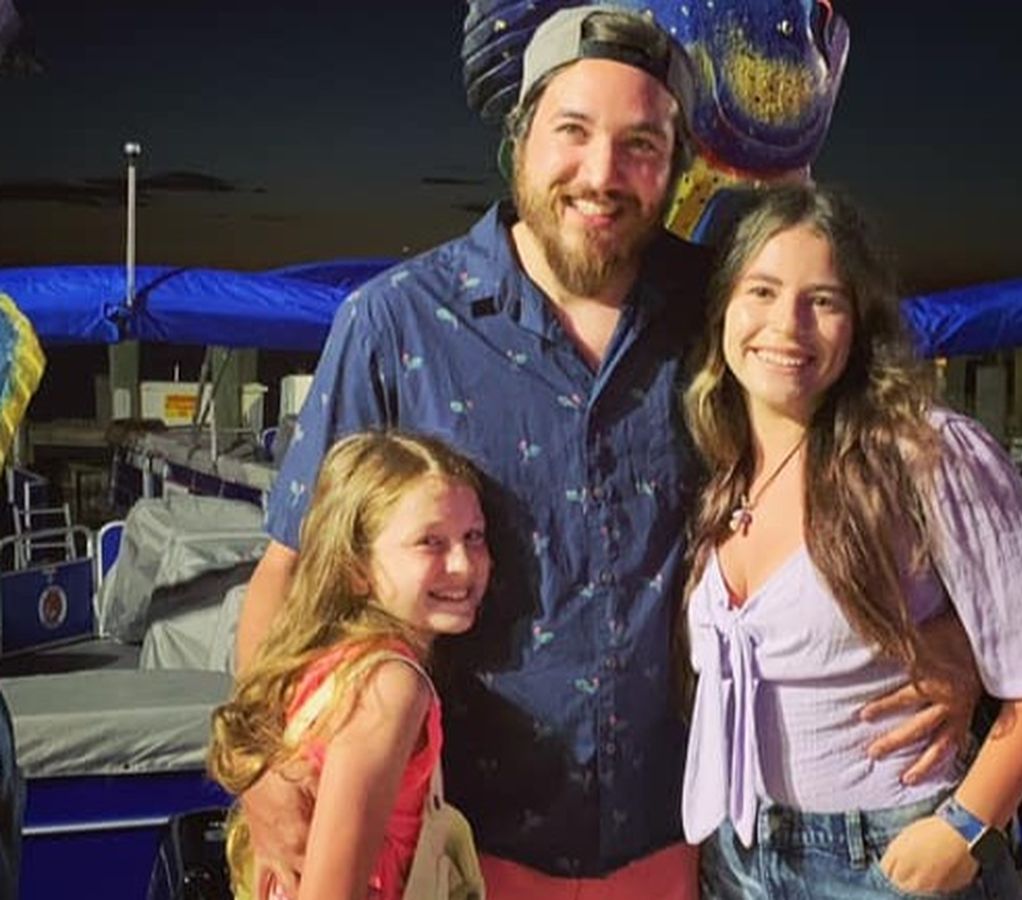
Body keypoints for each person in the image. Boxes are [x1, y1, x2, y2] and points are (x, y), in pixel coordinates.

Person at [234, 8, 979, 898]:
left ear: (675, 165)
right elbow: (291, 569)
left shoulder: (727, 320)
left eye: (640, 145)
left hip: (684, 842)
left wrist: (947, 637)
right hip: (464, 850)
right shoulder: (394, 325)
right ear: (520, 138)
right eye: (573, 131)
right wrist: (259, 765)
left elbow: (859, 478)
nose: (601, 173)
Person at [679, 182, 1022, 899]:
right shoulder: (720, 470)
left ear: (859, 322)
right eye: (762, 291)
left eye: (823, 300)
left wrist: (964, 829)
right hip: (741, 856)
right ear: (725, 306)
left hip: (887, 854)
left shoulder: (926, 454)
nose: (787, 325)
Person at [210, 431, 490, 899]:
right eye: (430, 542)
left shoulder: (326, 662)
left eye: (473, 537)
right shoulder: (391, 686)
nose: (462, 564)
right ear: (356, 569)